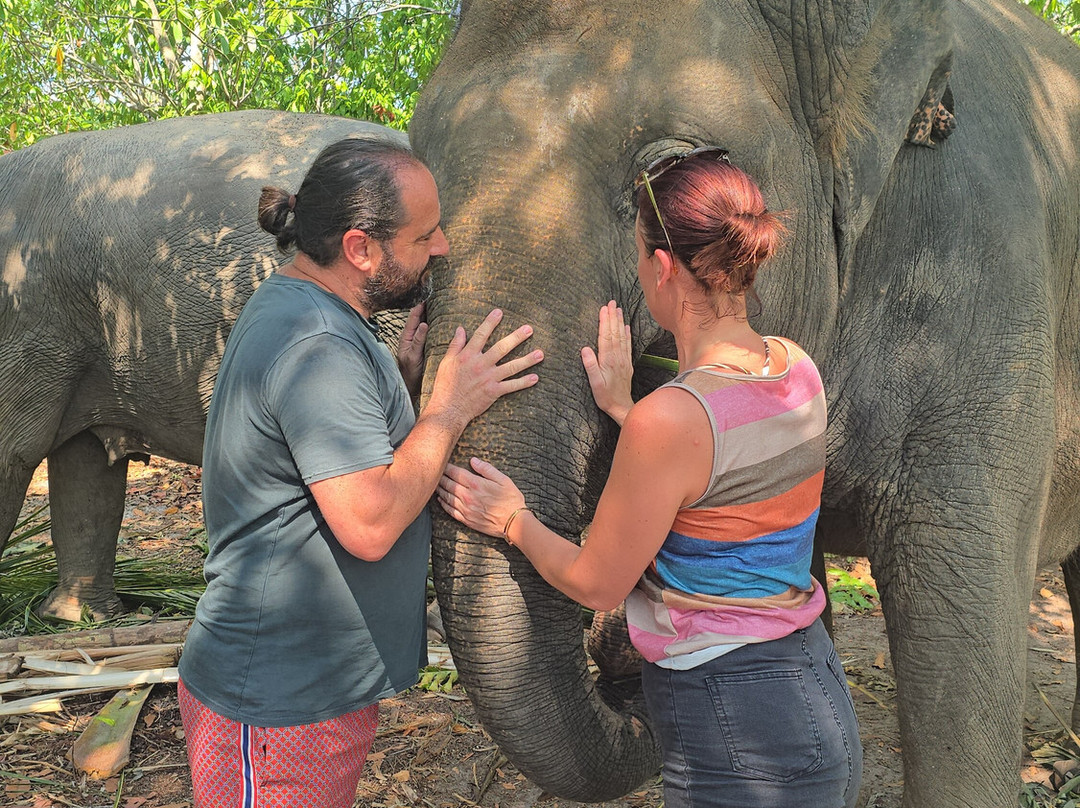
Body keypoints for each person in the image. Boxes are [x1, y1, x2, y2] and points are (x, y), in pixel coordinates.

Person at [437, 147, 862, 808]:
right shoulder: (795, 367)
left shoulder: (672, 421)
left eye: (638, 255)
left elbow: (596, 582)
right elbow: (725, 476)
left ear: (663, 267)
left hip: (735, 731)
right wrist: (626, 410)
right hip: (816, 695)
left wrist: (511, 520)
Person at [176, 137, 543, 808]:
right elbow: (369, 524)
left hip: (300, 692)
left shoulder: (302, 308)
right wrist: (448, 409)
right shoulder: (319, 343)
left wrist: (394, 391)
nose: (442, 248)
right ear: (360, 249)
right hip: (279, 707)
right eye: (424, 236)